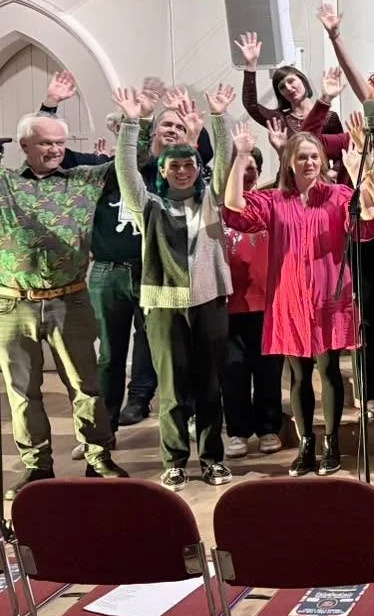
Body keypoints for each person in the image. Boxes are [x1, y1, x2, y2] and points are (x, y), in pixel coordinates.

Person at [223, 127, 374, 476]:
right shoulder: (275, 200)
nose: (309, 162)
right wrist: (240, 156)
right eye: (302, 157)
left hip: (330, 296)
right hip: (290, 297)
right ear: (289, 163)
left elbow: (366, 226)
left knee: (328, 371)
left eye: (314, 156)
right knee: (298, 375)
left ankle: (333, 442)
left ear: (322, 160)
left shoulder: (339, 194)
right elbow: (234, 208)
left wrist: (359, 178)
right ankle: (306, 443)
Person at [0, 105, 129, 498]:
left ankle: (98, 457)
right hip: (11, 305)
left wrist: (133, 123)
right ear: (24, 146)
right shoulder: (6, 185)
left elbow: (130, 166)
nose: (56, 149)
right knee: (22, 393)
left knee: (85, 386)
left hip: (69, 300)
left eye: (60, 143)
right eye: (46, 143)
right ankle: (37, 467)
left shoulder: (82, 180)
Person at [113, 84, 237, 491]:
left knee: (209, 385)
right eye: (174, 166)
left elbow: (225, 161)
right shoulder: (149, 206)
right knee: (171, 389)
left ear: (197, 168)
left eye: (188, 164)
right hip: (164, 305)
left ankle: (213, 459)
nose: (182, 171)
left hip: (210, 302)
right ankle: (175, 459)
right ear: (163, 172)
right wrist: (131, 124)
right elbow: (127, 174)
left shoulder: (211, 200)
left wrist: (218, 119)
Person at [36, 70, 159, 435]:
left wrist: (145, 119)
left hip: (149, 268)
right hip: (107, 271)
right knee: (108, 352)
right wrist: (50, 104)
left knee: (150, 341)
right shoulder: (95, 169)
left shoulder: (156, 169)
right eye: (124, 127)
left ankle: (139, 399)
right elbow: (57, 152)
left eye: (133, 129)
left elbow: (149, 152)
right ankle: (104, 424)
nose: (128, 137)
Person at [305, 70, 374, 416]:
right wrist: (325, 100)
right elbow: (308, 140)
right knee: (363, 318)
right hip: (362, 242)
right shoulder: (352, 141)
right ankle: (369, 392)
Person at [221, 146, 283, 459]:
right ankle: (237, 432)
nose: (247, 173)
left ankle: (269, 427)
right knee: (233, 372)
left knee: (268, 371)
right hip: (228, 305)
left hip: (266, 304)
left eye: (251, 167)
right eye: (240, 167)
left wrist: (282, 148)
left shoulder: (269, 204)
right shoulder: (218, 207)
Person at [235, 31, 341, 136]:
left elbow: (343, 150)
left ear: (302, 80)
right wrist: (251, 65)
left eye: (291, 81)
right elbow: (251, 105)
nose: (288, 88)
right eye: (282, 87)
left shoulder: (330, 118)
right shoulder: (280, 119)